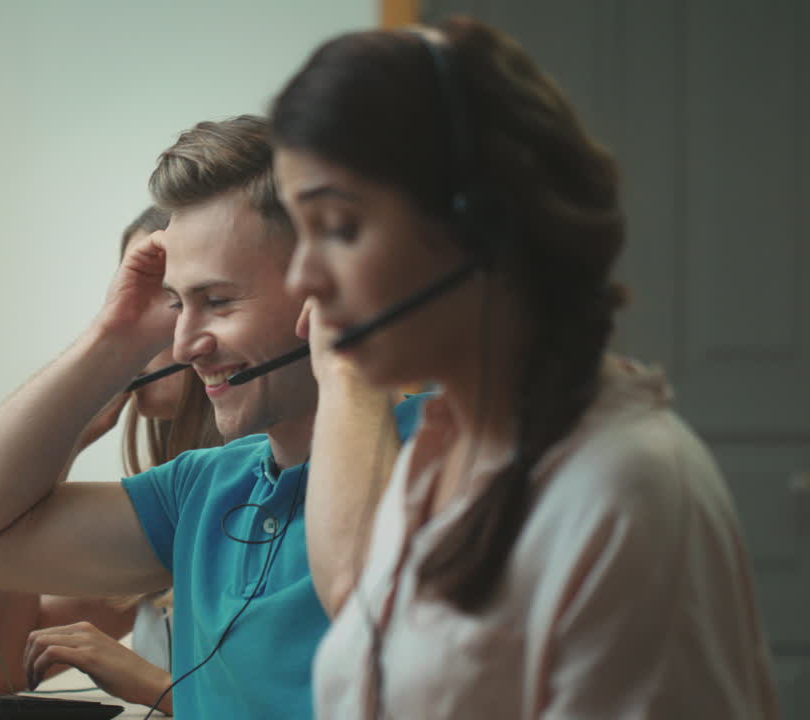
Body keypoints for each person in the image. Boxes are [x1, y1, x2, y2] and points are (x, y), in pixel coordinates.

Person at [269, 17, 779, 718]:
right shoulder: (436, 454)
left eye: (338, 228)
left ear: (481, 223)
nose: (301, 278)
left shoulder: (626, 491)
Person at [0, 115, 425, 719]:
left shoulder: (457, 453)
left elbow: (376, 609)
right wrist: (114, 337)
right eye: (178, 304)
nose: (183, 346)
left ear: (331, 288)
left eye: (218, 301)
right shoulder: (202, 489)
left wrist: (349, 362)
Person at [0, 207, 222, 715]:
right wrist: (60, 444)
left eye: (165, 298)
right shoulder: (174, 506)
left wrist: (153, 685)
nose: (132, 329)